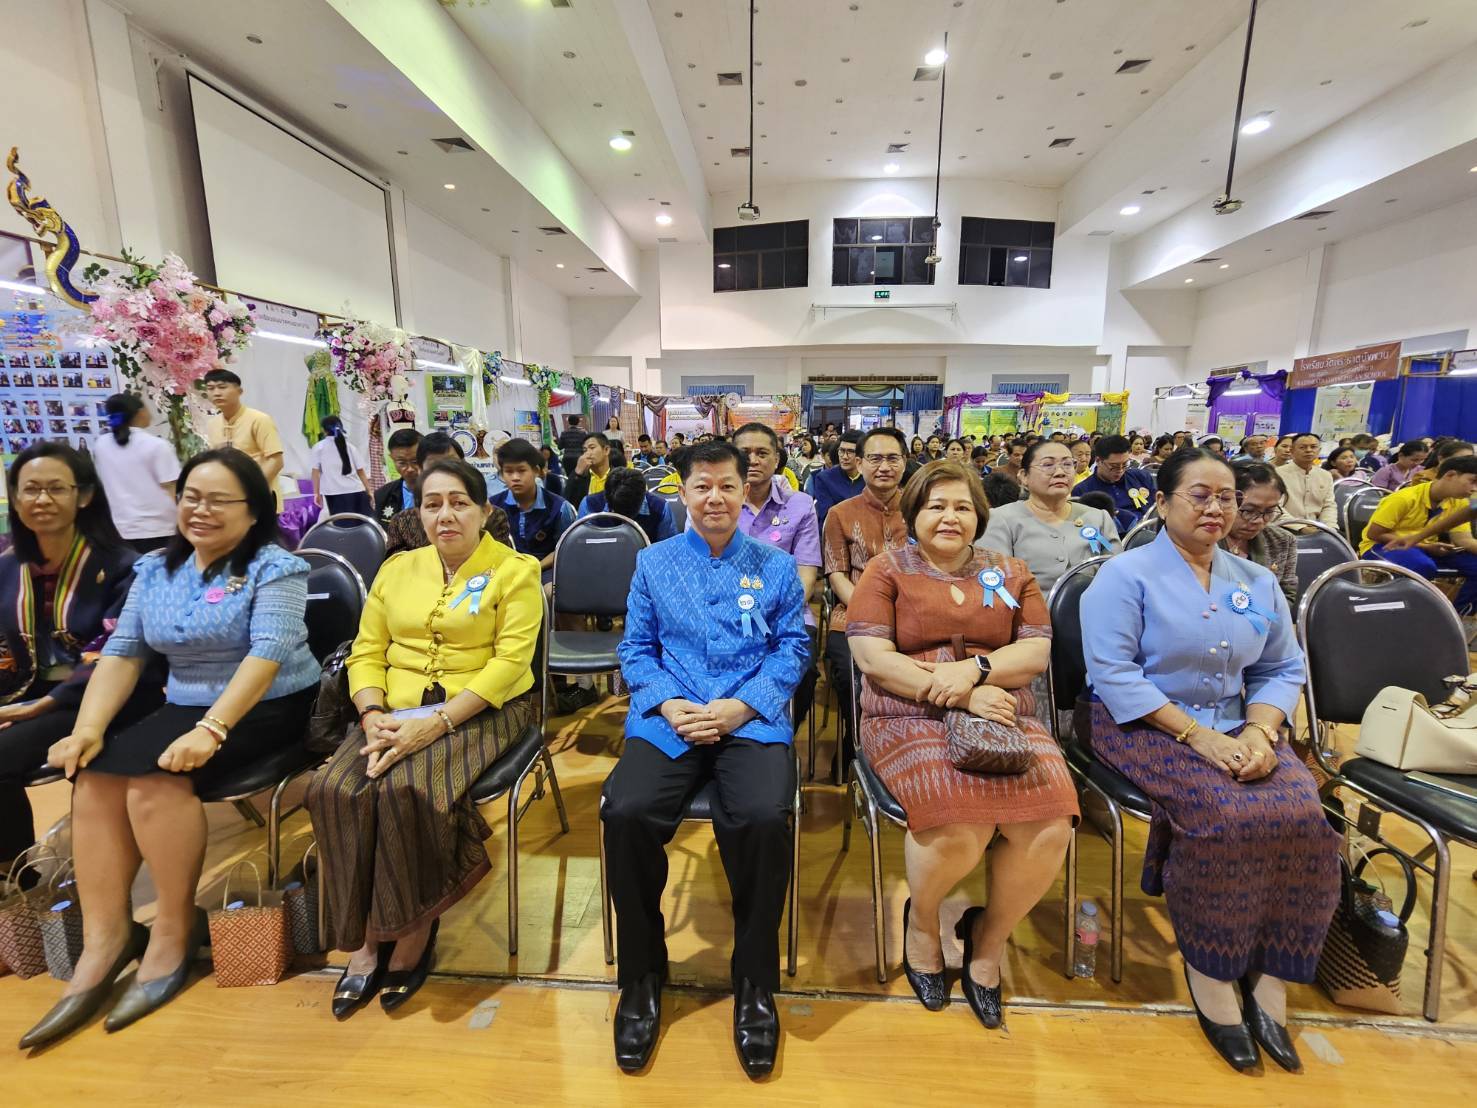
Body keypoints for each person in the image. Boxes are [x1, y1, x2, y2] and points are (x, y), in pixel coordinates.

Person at [25, 449, 320, 1047]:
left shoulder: (275, 568)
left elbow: (265, 657)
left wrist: (211, 729)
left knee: (155, 782)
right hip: (185, 702)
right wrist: (87, 728)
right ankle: (108, 940)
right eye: (190, 496)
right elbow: (124, 653)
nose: (199, 510)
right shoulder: (156, 569)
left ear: (253, 509)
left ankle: (172, 933)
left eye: (217, 500)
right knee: (97, 776)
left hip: (268, 705)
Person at [1079, 446, 1339, 1074]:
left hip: (1240, 725)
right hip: (1141, 723)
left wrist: (1259, 729)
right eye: (1199, 495)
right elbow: (1113, 675)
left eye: (1226, 497)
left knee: (1306, 815)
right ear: (1162, 502)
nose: (1216, 508)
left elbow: (1282, 666)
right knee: (1225, 814)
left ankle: (1273, 969)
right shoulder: (1126, 574)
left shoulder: (1254, 580)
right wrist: (1200, 737)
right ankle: (1213, 969)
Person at [601, 441, 808, 1078]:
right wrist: (667, 704)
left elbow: (795, 648)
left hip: (749, 721)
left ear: (746, 491)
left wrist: (743, 707)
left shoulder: (773, 566)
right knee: (627, 810)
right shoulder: (653, 563)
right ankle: (641, 975)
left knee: (763, 816)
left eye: (726, 486)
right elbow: (635, 649)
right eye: (701, 487)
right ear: (683, 493)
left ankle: (753, 982)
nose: (714, 498)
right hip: (670, 721)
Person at [306, 458, 540, 1021]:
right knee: (334, 789)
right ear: (419, 513)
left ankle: (411, 931)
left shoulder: (515, 570)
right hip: (392, 710)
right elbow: (366, 651)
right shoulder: (396, 570)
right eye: (433, 504)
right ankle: (364, 940)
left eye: (459, 502)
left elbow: (509, 665)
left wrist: (437, 723)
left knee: (407, 789)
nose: (446, 515)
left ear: (485, 511)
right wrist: (370, 712)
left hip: (482, 708)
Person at [847, 460, 1077, 1031]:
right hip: (907, 713)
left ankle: (988, 939)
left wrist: (975, 674)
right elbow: (873, 658)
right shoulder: (886, 570)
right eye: (936, 506)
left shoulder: (1010, 570)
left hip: (1003, 711)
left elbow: (1033, 655)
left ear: (980, 516)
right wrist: (957, 695)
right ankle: (922, 924)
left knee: (1050, 823)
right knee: (958, 822)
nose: (950, 517)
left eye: (962, 507)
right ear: (914, 513)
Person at [0, 445, 162, 868]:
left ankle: (15, 877)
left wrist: (41, 705)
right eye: (30, 489)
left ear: (84, 496)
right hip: (28, 691)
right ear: (14, 498)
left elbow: (112, 654)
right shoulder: (6, 567)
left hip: (108, 697)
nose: (42, 500)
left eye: (56, 489)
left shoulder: (124, 567)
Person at [821, 428, 911, 777]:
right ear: (860, 463)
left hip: (913, 613)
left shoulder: (921, 509)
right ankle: (857, 746)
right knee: (846, 672)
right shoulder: (840, 513)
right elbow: (836, 575)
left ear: (905, 462)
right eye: (875, 458)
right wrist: (871, 610)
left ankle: (904, 744)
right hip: (854, 614)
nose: (884, 466)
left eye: (893, 458)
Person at [733, 423, 822, 724]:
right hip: (726, 614)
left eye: (762, 453)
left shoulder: (801, 506)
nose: (753, 460)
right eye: (745, 453)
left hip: (790, 614)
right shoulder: (717, 504)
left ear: (777, 459)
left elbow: (806, 574)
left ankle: (780, 737)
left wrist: (772, 613)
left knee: (805, 670)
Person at [981, 440, 1120, 596]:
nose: (1060, 472)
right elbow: (995, 587)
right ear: (1024, 476)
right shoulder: (1000, 519)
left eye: (1068, 464)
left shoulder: (1098, 518)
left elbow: (1117, 576)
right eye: (1048, 465)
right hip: (1024, 616)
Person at [1361, 455, 1477, 614]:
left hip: (1424, 548)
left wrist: (1425, 546)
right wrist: (1426, 546)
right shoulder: (1404, 498)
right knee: (1422, 565)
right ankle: (1407, 616)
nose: (1475, 489)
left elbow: (1464, 540)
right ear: (1450, 475)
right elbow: (1374, 534)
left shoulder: (1460, 502)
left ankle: (1456, 615)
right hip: (1382, 546)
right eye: (1473, 481)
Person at [384, 432, 511, 557]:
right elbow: (396, 571)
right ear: (421, 471)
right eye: (435, 467)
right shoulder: (402, 523)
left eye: (452, 463)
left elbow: (504, 563)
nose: (446, 473)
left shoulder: (492, 516)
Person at [93, 393, 179, 553]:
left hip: (121, 528)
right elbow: (170, 489)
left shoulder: (100, 445)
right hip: (161, 528)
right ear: (140, 413)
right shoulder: (157, 446)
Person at [490, 437, 576, 580]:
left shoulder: (559, 507)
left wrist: (537, 566)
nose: (515, 477)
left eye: (522, 470)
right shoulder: (493, 506)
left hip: (546, 570)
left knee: (550, 593)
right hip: (504, 570)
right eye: (509, 472)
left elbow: (566, 547)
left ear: (536, 470)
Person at [202, 368, 285, 508]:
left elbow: (276, 461)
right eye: (210, 388)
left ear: (239, 391)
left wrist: (251, 490)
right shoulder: (212, 424)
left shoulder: (259, 419)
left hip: (260, 497)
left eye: (222, 387)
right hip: (228, 499)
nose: (216, 393)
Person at [1221, 462, 1298, 607]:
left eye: (1269, 512)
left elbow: (1287, 596)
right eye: (1248, 511)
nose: (1259, 521)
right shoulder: (1203, 542)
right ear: (1225, 501)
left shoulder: (1282, 540)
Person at [1074, 434, 1157, 534]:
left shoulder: (1141, 477)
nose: (1120, 470)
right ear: (1098, 461)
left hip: (1151, 531)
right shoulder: (1083, 490)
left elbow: (1157, 509)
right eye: (1114, 466)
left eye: (1125, 464)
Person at [578, 466, 677, 544]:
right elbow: (581, 545)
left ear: (643, 498)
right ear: (607, 497)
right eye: (617, 512)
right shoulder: (590, 505)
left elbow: (667, 550)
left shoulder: (660, 508)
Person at [309, 415, 374, 516]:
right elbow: (360, 471)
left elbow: (315, 473)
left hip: (333, 494)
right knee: (363, 525)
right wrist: (369, 490)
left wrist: (316, 493)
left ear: (323, 430)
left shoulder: (319, 448)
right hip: (357, 491)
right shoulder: (350, 446)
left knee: (343, 528)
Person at [1275, 433, 1337, 525]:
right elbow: (1275, 507)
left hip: (1317, 527)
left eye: (1313, 447)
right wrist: (1301, 527)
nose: (1309, 450)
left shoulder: (1325, 475)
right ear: (1292, 451)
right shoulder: (1277, 474)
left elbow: (1328, 506)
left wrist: (1330, 528)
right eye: (1302, 447)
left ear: (1319, 450)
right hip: (1285, 526)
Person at [810, 430, 864, 528]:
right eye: (841, 451)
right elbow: (828, 515)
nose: (844, 457)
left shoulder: (870, 477)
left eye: (851, 452)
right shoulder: (825, 479)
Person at [374, 428, 423, 525]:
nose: (410, 469)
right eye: (402, 462)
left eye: (415, 462)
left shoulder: (441, 490)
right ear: (392, 458)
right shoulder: (383, 495)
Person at [563, 431, 616, 509]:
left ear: (606, 450)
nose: (588, 453)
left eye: (592, 448)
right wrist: (577, 473)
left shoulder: (617, 477)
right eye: (585, 450)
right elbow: (568, 505)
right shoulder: (580, 477)